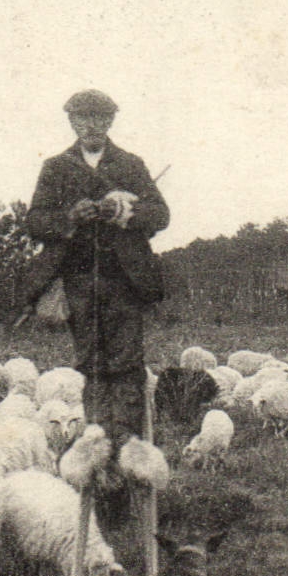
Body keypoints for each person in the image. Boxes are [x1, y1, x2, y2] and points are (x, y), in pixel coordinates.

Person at [24, 90, 169, 463]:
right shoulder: (56, 167)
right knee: (92, 367)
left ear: (110, 122)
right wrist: (70, 217)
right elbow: (36, 222)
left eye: (99, 118)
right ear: (72, 122)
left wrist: (123, 211)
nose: (91, 125)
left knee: (128, 367)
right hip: (79, 283)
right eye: (82, 118)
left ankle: (129, 450)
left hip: (124, 283)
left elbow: (160, 215)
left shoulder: (130, 164)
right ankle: (98, 446)